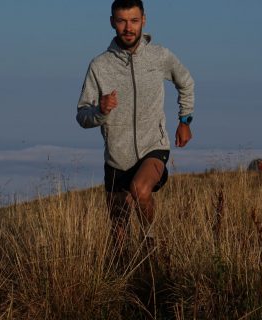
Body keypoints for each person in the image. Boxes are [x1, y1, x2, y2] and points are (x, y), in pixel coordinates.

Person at [76, 0, 195, 255]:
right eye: (121, 21)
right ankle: (125, 282)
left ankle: (151, 244)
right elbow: (82, 115)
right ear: (112, 22)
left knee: (140, 190)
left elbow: (186, 82)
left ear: (144, 20)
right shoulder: (99, 66)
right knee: (118, 239)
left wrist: (185, 121)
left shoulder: (159, 56)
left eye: (134, 20)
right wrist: (100, 111)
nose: (128, 28)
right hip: (117, 158)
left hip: (154, 148)